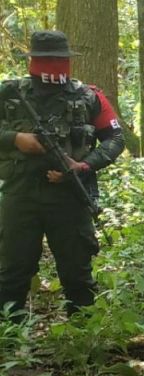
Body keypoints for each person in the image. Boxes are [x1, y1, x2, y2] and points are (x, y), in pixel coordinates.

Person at [0, 30, 124, 318]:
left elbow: (116, 139)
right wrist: (15, 139)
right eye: (47, 59)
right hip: (20, 194)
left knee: (77, 275)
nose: (54, 65)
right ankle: (11, 346)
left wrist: (83, 166)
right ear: (33, 59)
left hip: (70, 196)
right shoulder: (9, 94)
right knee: (12, 275)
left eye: (59, 59)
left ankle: (81, 344)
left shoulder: (89, 96)